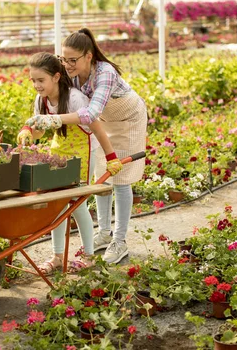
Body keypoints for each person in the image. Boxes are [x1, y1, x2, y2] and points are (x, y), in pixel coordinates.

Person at [25, 28, 147, 264]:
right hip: (102, 123)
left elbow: (90, 112)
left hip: (128, 119)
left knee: (120, 179)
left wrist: (55, 120)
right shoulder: (70, 75)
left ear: (89, 56)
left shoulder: (105, 73)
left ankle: (119, 241)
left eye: (73, 60)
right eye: (64, 59)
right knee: (102, 178)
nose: (67, 65)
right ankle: (103, 233)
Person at [17, 52, 122, 275]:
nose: (36, 85)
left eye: (40, 80)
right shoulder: (41, 100)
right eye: (33, 81)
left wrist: (111, 157)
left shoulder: (74, 98)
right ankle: (57, 256)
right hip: (59, 149)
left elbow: (97, 128)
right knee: (57, 202)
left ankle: (89, 255)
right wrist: (27, 131)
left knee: (77, 203)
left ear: (56, 77)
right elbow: (38, 132)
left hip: (83, 150)